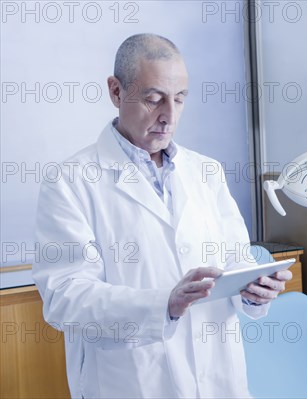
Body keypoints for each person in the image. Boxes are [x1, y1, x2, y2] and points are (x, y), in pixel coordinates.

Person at [32, 33, 291, 398]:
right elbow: (65, 298)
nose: (168, 116)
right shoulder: (70, 181)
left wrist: (253, 292)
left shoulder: (206, 171)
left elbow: (235, 261)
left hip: (218, 376)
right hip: (132, 381)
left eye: (180, 99)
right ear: (116, 92)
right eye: (154, 99)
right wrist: (163, 303)